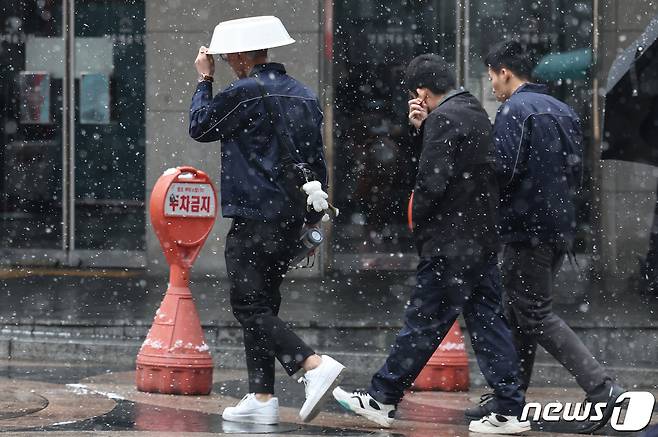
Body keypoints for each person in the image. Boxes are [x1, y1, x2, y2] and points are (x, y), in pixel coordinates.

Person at [332, 54, 530, 435]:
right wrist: (425, 129)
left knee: (423, 322)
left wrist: (421, 233)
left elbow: (431, 184)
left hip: (450, 243)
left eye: (415, 92)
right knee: (488, 323)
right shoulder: (473, 111)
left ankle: (382, 397)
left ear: (421, 91)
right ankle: (509, 408)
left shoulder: (444, 119)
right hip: (481, 240)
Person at [188, 16, 344, 425]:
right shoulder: (305, 95)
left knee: (248, 305)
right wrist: (311, 214)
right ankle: (261, 397)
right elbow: (316, 161)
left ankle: (311, 364)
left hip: (255, 215)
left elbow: (199, 126)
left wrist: (205, 82)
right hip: (291, 217)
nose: (225, 62)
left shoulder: (243, 92)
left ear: (239, 57)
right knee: (264, 303)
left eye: (227, 57)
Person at [478, 40, 624, 433]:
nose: (492, 83)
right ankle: (510, 395)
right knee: (519, 312)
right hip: (557, 228)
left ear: (505, 71)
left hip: (525, 231)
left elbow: (504, 172)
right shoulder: (563, 110)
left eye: (492, 75)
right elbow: (576, 172)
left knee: (533, 313)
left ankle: (602, 388)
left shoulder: (514, 110)